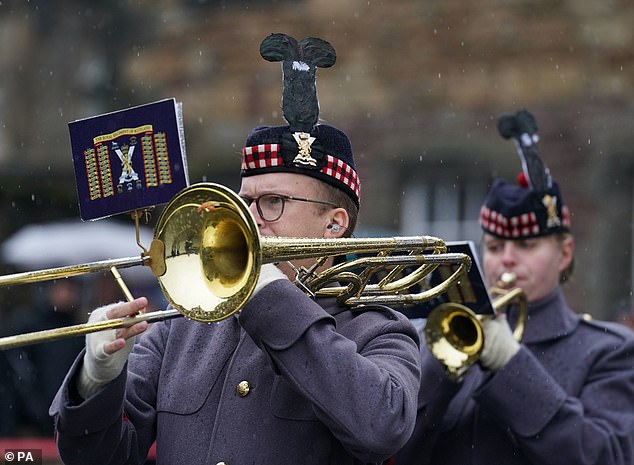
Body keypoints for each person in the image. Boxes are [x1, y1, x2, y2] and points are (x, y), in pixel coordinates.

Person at [49, 33, 421, 465]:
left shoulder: (377, 329)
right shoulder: (184, 326)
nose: (250, 217)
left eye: (273, 203)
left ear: (334, 223)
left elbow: (382, 427)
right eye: (244, 200)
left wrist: (269, 295)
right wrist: (98, 376)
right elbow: (98, 457)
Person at [395, 110, 634, 465]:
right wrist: (439, 367)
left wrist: (511, 364)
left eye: (526, 246)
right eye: (493, 247)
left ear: (565, 253)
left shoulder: (608, 351)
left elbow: (604, 456)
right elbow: (394, 451)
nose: (506, 259)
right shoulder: (446, 342)